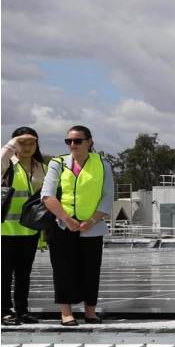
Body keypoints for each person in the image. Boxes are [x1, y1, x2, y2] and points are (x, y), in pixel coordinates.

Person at [40, 125, 114, 326]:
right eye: (69, 141)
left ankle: (90, 311)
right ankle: (66, 313)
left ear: (89, 142)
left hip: (92, 226)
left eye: (78, 141)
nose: (73, 145)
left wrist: (91, 221)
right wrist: (67, 219)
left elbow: (107, 196)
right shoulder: (58, 163)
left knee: (91, 269)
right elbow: (47, 195)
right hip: (62, 225)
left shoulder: (103, 164)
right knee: (63, 269)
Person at [2, 127, 46, 325]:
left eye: (32, 143)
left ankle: (22, 310)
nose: (27, 147)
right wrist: (13, 143)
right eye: (23, 142)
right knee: (4, 274)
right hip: (5, 230)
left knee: (23, 274)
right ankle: (4, 311)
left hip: (29, 230)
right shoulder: (7, 164)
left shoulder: (40, 167)